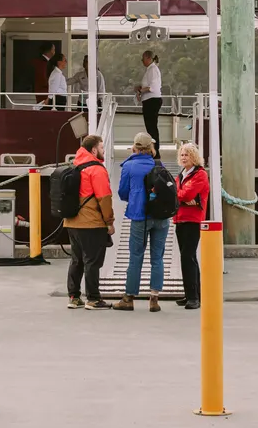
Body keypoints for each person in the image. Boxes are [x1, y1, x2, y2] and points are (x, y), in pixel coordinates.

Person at [113, 132, 170, 313]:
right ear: (150, 148)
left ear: (135, 146)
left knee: (136, 256)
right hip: (161, 217)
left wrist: (135, 198)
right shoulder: (159, 165)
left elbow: (122, 192)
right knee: (157, 257)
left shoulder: (129, 166)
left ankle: (129, 298)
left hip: (139, 217)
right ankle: (154, 299)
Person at [64, 134, 114, 310]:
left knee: (76, 260)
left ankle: (73, 297)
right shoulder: (96, 169)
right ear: (93, 150)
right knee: (92, 261)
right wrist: (109, 222)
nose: (103, 151)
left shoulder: (75, 166)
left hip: (72, 222)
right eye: (101, 147)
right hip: (91, 223)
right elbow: (104, 198)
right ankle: (93, 298)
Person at [174, 142, 209, 310]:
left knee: (188, 257)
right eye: (182, 154)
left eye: (187, 154)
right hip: (180, 219)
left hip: (192, 220)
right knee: (188, 257)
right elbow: (181, 195)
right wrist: (181, 197)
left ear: (194, 156)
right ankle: (192, 294)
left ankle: (193, 297)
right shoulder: (182, 175)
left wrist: (179, 196)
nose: (183, 157)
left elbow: (186, 194)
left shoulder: (200, 175)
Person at [135, 50, 162, 159]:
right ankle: (153, 150)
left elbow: (152, 87)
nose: (142, 61)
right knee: (150, 127)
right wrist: (140, 88)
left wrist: (141, 90)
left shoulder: (153, 70)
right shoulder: (150, 70)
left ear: (148, 58)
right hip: (149, 100)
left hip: (152, 100)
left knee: (152, 127)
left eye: (143, 59)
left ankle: (155, 151)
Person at [32, 41, 55, 109]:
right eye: (53, 49)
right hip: (44, 92)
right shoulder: (42, 62)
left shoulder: (46, 61)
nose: (54, 52)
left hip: (42, 91)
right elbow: (43, 78)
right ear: (50, 51)